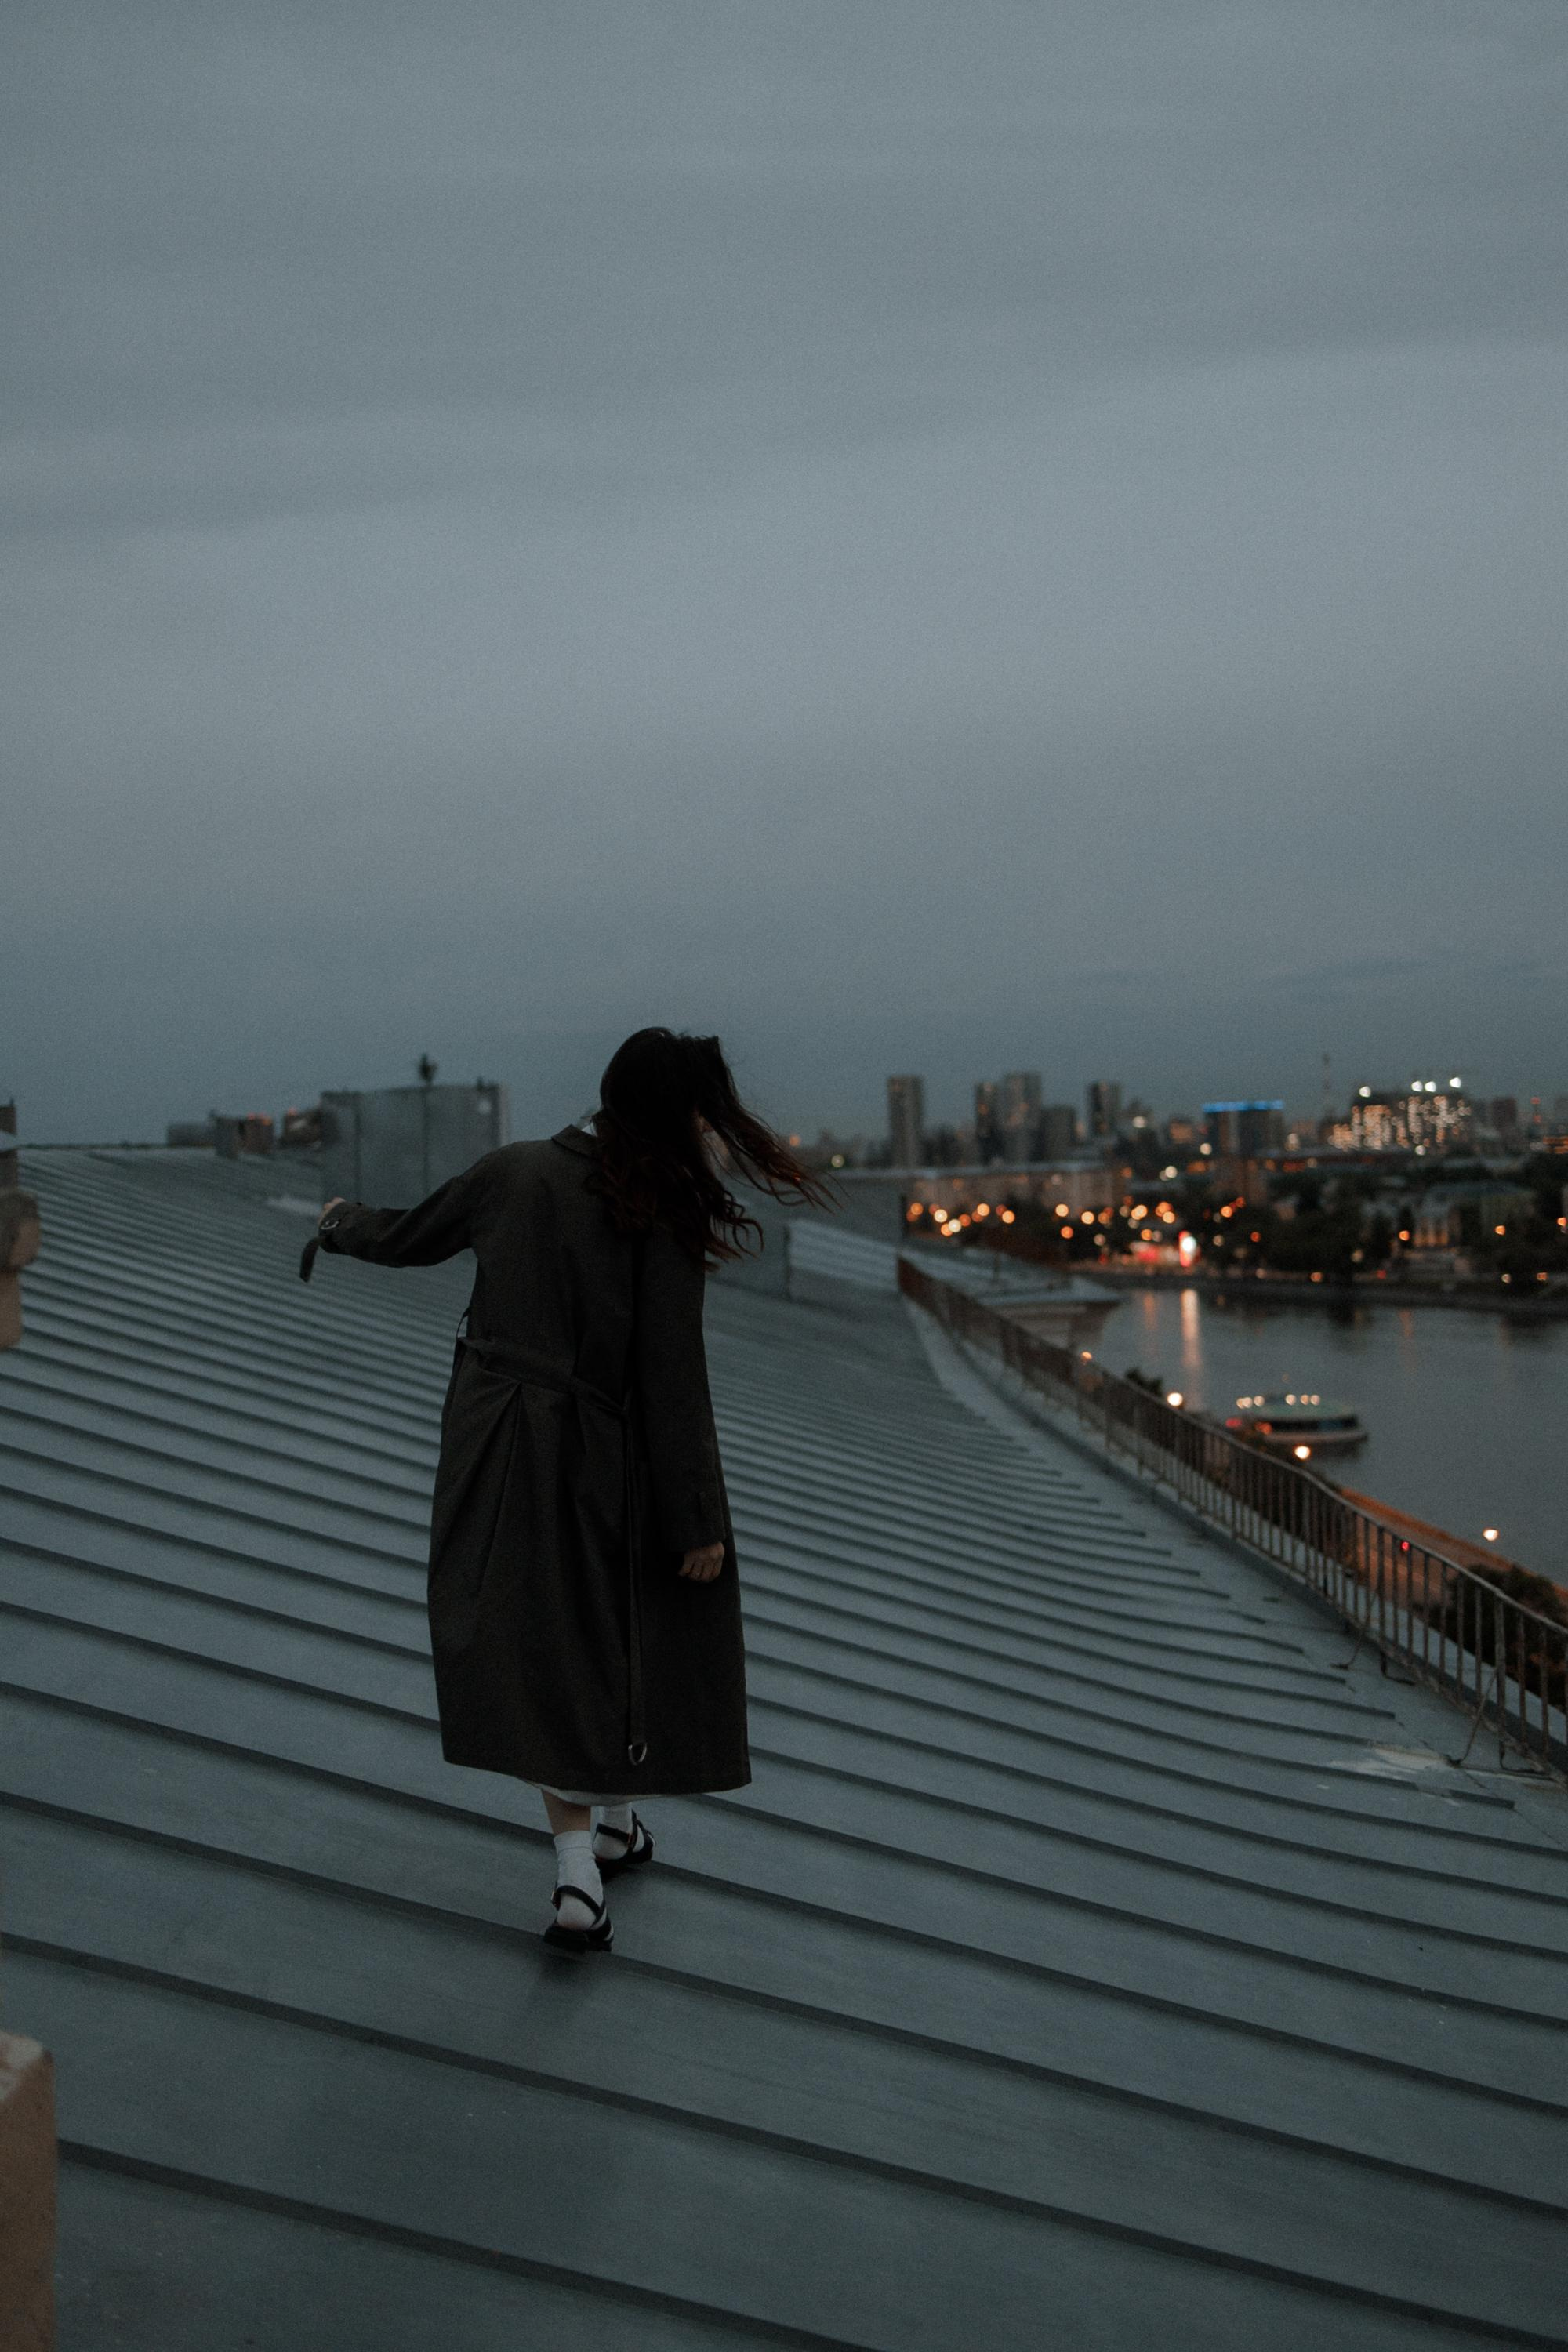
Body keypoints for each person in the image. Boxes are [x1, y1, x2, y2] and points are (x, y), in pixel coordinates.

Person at [308, 1029, 829, 1954]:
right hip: (602, 1455)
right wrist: (697, 1516)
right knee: (613, 1629)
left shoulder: (513, 1172)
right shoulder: (656, 1206)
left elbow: (405, 1235)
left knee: (540, 1642)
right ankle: (578, 1876)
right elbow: (671, 1375)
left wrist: (337, 1222)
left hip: (492, 1442)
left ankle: (603, 1839)